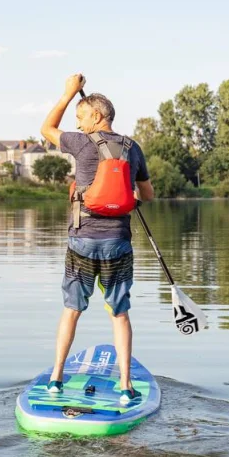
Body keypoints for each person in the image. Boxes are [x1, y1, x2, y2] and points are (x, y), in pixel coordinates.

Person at [40, 74, 154, 403]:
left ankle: (56, 379)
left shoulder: (80, 142)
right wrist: (128, 194)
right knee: (119, 313)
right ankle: (125, 384)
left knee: (71, 309)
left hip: (82, 240)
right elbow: (147, 193)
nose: (78, 122)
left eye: (81, 116)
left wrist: (67, 94)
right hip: (118, 240)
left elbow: (47, 130)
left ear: (97, 116)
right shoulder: (133, 148)